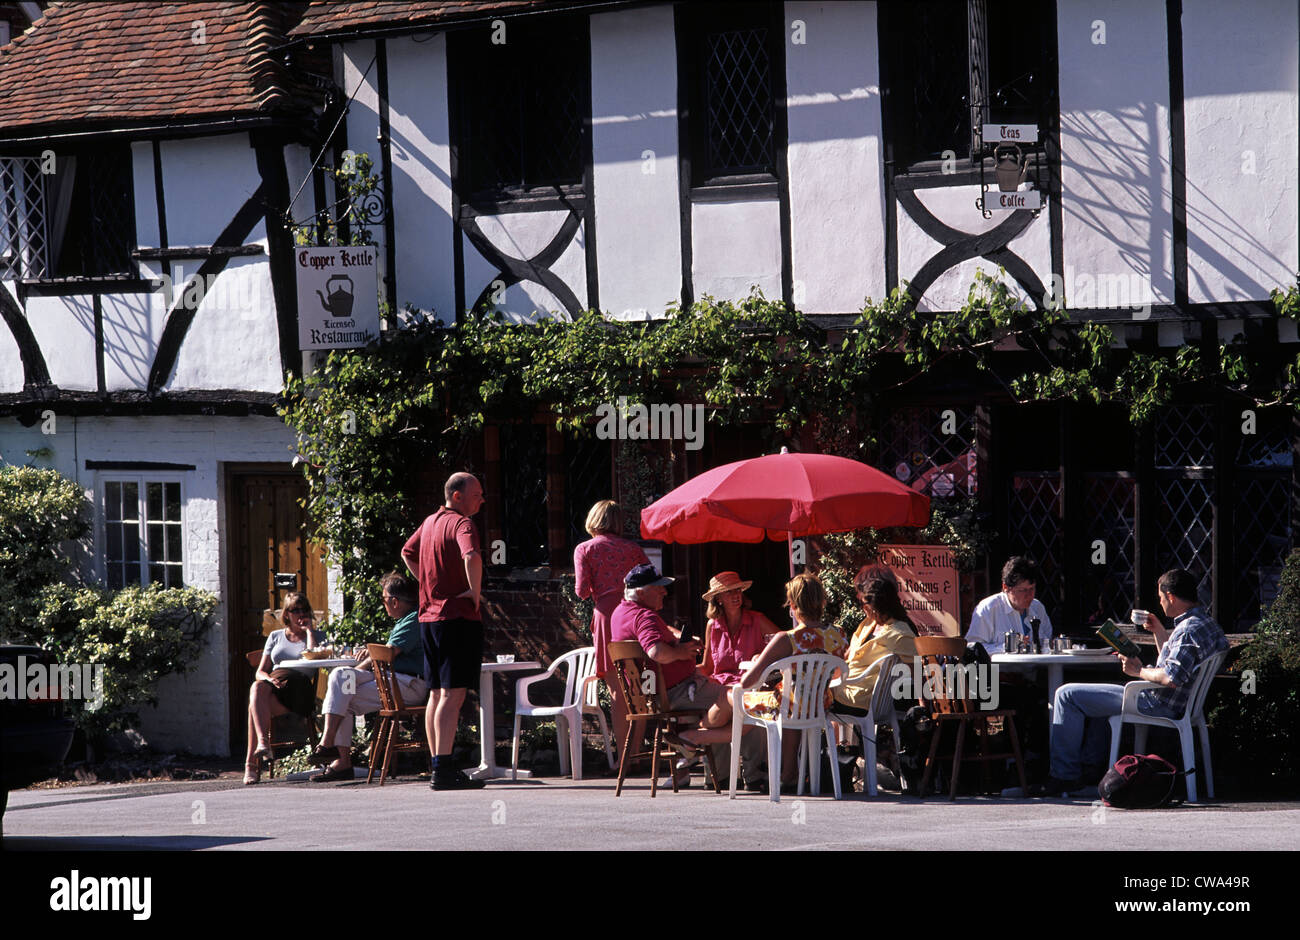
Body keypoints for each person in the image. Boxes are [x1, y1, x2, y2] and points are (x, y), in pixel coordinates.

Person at [1036, 568, 1228, 796]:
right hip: (1180, 704)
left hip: (1155, 701)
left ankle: (1064, 777)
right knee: (1095, 702)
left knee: (1067, 695)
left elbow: (1171, 678)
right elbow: (1176, 663)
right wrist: (1159, 632)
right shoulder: (1206, 624)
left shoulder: (1186, 631)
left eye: (1160, 598)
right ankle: (1089, 770)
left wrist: (1138, 671)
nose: (1160, 603)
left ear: (1170, 597)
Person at [402, 471, 487, 791]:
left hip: (429, 620)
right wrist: (474, 592)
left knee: (436, 694)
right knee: (453, 694)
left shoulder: (429, 523)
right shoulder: (462, 524)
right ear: (457, 496)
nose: (482, 498)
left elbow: (407, 552)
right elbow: (472, 556)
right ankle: (444, 769)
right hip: (456, 618)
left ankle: (439, 765)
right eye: (477, 493)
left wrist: (427, 583)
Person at [610, 563, 727, 787]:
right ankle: (720, 769)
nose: (664, 591)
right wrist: (682, 651)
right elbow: (656, 651)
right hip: (676, 692)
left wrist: (677, 637)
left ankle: (683, 769)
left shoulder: (621, 612)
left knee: (715, 699)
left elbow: (657, 630)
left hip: (647, 696)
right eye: (658, 587)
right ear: (642, 592)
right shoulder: (644, 617)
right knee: (733, 700)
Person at [307, 572, 429, 782]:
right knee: (342, 692)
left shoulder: (413, 620)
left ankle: (327, 744)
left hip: (410, 685)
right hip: (394, 681)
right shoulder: (404, 620)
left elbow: (387, 654)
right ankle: (342, 762)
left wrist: (368, 658)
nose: (384, 604)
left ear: (395, 601)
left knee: (341, 679)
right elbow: (381, 656)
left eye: (384, 599)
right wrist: (369, 657)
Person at [738, 573, 848, 791]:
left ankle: (760, 770)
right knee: (794, 697)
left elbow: (747, 681)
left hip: (791, 706)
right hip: (819, 704)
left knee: (736, 696)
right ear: (822, 601)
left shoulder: (787, 639)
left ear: (793, 604)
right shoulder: (839, 634)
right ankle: (788, 772)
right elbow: (836, 673)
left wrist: (761, 662)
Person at [573, 499, 649, 762]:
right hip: (634, 614)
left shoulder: (585, 549)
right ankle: (638, 754)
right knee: (637, 688)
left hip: (607, 616)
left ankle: (625, 758)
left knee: (617, 691)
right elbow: (651, 581)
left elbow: (581, 591)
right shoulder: (633, 548)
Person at [245, 592, 325, 785]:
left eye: (304, 610)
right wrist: (270, 681)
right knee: (257, 688)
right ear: (287, 614)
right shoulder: (275, 636)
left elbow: (314, 660)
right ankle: (263, 745)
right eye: (295, 610)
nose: (300, 614)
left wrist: (309, 632)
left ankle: (251, 765)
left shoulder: (317, 635)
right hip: (276, 685)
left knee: (253, 706)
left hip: (300, 689)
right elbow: (261, 671)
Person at [831, 566, 918, 713]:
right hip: (844, 688)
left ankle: (795, 734)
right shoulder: (868, 623)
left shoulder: (900, 634)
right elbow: (848, 656)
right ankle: (836, 737)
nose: (860, 608)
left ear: (875, 604)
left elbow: (918, 673)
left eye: (862, 603)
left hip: (861, 699)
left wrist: (923, 707)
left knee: (804, 696)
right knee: (803, 690)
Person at [967, 556, 1054, 654]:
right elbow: (973, 648)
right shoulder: (988, 609)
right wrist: (1007, 648)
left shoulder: (1038, 607)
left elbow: (1048, 642)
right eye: (1023, 590)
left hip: (1036, 668)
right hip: (1000, 669)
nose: (1029, 595)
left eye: (1032, 589)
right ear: (1005, 587)